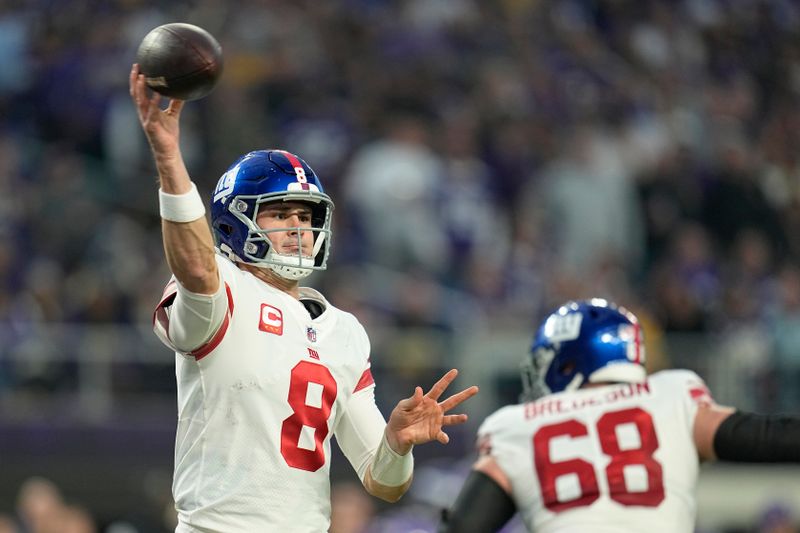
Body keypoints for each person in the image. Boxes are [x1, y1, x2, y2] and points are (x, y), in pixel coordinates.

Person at [129, 64, 479, 532]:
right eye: (279, 213)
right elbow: (195, 268)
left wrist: (397, 444)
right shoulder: (225, 288)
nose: (299, 227)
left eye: (307, 214)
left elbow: (384, 482)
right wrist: (170, 159)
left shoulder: (346, 332)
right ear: (235, 222)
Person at [439, 299, 800, 533]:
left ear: (567, 362)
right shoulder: (671, 395)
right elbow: (766, 435)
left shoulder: (516, 425)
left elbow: (464, 527)